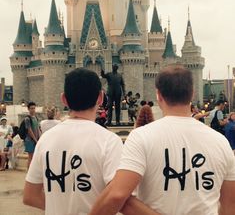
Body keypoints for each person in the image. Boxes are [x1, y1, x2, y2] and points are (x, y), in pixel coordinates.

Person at [88, 66, 235, 215]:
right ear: (192, 94)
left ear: (158, 95)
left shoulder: (141, 137)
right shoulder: (220, 142)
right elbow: (230, 206)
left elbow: (117, 195)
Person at [23, 67, 156, 215]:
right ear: (100, 98)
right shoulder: (109, 141)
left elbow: (30, 196)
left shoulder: (46, 139)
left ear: (64, 99)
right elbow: (119, 197)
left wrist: (62, 208)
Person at [24, 101, 41, 168]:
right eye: (31, 108)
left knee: (34, 157)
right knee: (30, 157)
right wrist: (35, 140)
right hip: (30, 140)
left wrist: (39, 138)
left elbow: (37, 129)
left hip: (36, 140)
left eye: (34, 108)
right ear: (28, 109)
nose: (33, 110)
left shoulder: (36, 118)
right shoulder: (27, 119)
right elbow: (29, 130)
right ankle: (29, 172)